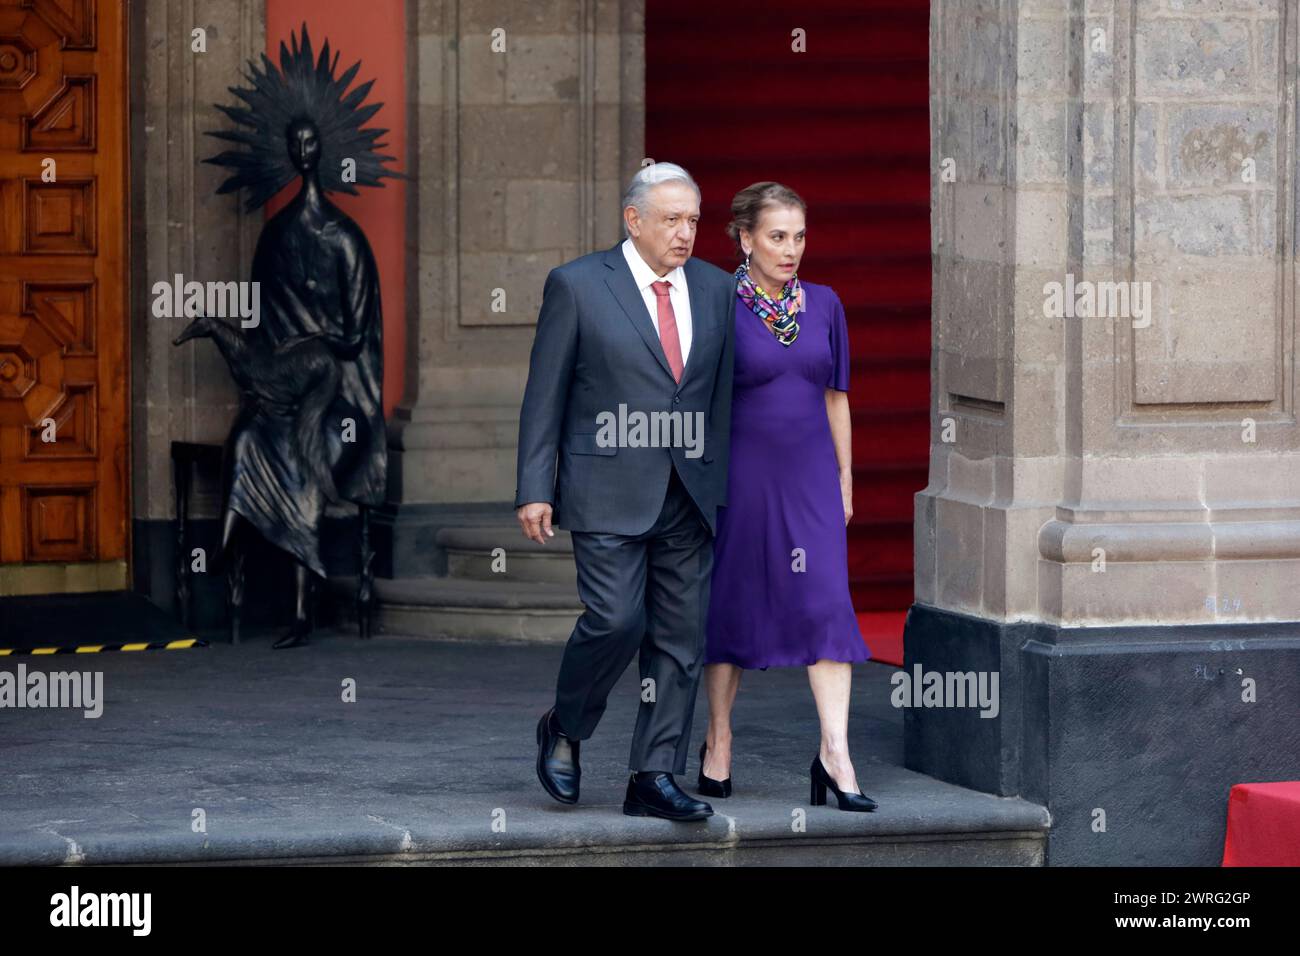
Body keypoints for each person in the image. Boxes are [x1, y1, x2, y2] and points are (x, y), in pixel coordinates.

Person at [515, 162, 736, 821]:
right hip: (606, 484)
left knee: (679, 638)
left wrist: (722, 481)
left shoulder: (718, 289)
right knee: (616, 619)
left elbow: (718, 397)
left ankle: (653, 775)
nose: (686, 232)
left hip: (689, 492)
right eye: (672, 219)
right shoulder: (578, 285)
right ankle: (566, 725)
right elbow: (544, 394)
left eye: (694, 220)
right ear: (633, 220)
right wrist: (535, 486)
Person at [696, 182, 877, 812]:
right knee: (732, 607)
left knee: (826, 603)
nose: (791, 248)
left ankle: (835, 755)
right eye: (777, 236)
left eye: (799, 236)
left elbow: (836, 396)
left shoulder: (825, 305)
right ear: (745, 238)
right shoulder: (719, 302)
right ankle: (718, 741)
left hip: (811, 481)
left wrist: (845, 478)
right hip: (741, 479)